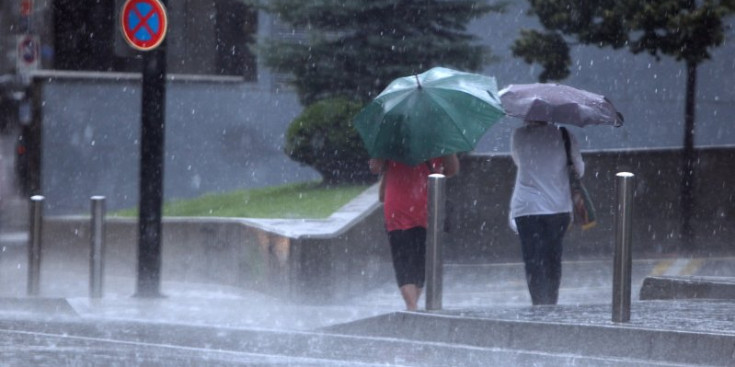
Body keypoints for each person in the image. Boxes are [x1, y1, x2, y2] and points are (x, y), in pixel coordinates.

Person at [369, 155, 459, 311]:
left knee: (405, 261)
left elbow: (374, 168)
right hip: (425, 205)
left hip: (403, 206)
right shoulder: (437, 141)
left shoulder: (392, 139)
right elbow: (451, 170)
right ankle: (412, 306)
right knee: (418, 263)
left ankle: (412, 307)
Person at [509, 120, 584, 305]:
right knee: (553, 258)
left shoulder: (519, 135)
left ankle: (538, 302)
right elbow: (579, 170)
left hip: (526, 207)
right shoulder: (565, 135)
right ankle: (551, 301)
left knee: (532, 259)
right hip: (557, 206)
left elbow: (519, 162)